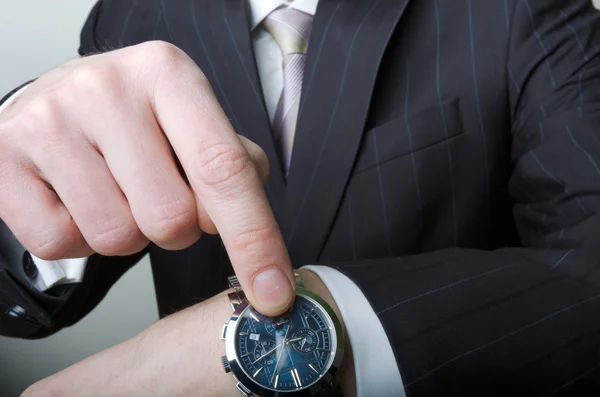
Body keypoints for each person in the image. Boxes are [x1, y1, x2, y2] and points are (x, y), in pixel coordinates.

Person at [2, 0, 600, 395]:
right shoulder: (131, 14)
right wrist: (18, 162)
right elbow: (33, 278)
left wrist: (339, 319)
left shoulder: (523, 10)